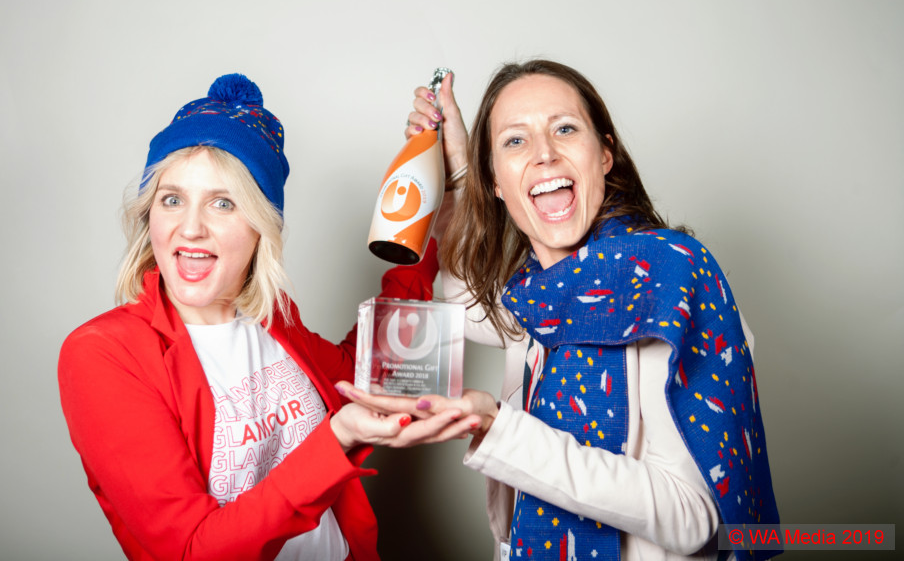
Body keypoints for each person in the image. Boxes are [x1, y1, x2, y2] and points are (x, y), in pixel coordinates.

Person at [339, 60, 780, 560]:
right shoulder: (536, 297)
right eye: (515, 141)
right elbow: (467, 299)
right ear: (496, 183)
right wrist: (458, 172)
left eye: (565, 129)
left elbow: (694, 518)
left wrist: (498, 428)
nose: (544, 153)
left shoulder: (673, 282)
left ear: (605, 154)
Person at [57, 73, 472, 561]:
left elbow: (360, 373)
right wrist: (337, 439)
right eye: (172, 199)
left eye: (222, 203)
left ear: (262, 224)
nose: (190, 228)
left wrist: (439, 212)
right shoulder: (103, 354)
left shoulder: (270, 319)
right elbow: (191, 551)